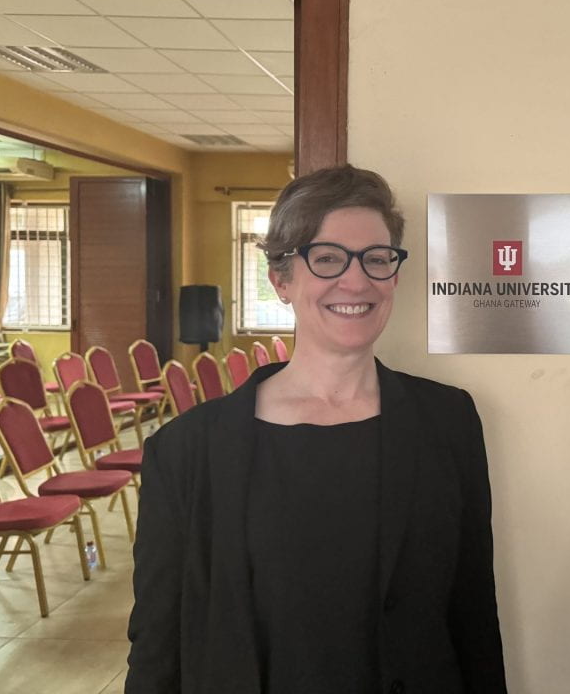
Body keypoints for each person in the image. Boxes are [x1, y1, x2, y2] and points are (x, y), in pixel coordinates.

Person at [126, 165, 507, 694]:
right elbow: (156, 645)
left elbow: (473, 614)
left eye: (377, 259)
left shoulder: (449, 421)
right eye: (326, 259)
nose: (356, 281)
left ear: (394, 273)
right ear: (281, 279)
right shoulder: (186, 451)